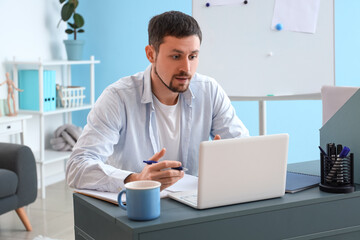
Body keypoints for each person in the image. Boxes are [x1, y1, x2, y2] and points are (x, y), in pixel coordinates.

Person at [66, 11, 249, 192]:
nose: (186, 68)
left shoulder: (209, 91)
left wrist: (227, 159)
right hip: (138, 205)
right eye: (176, 56)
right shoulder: (118, 97)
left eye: (192, 56)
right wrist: (135, 179)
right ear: (151, 54)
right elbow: (76, 167)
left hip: (193, 205)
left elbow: (244, 150)